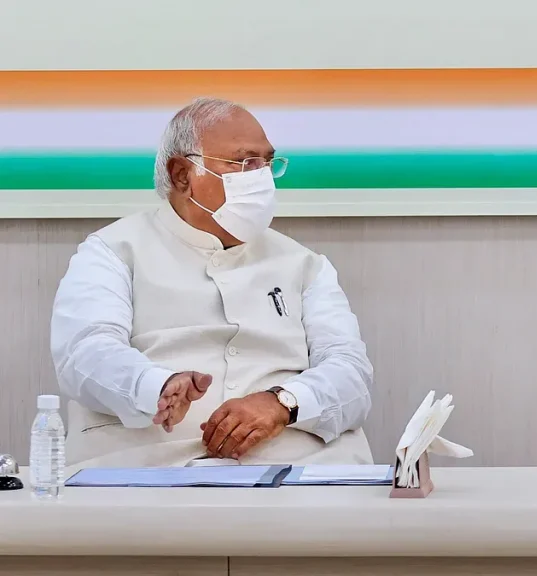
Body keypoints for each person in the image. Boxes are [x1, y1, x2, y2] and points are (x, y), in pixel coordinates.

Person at [50, 97, 374, 468]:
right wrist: (154, 384)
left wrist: (283, 402)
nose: (261, 177)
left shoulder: (305, 264)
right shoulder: (113, 251)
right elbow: (85, 353)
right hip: (148, 465)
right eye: (244, 163)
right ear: (182, 174)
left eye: (267, 163)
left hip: (295, 464)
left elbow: (351, 372)